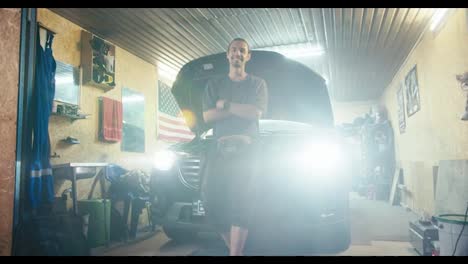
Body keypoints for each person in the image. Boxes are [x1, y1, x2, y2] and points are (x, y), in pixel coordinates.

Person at [201, 38, 268, 256]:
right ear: (227, 55)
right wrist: (238, 109)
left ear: (248, 56)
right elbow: (207, 116)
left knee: (242, 202)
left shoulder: (257, 84)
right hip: (219, 150)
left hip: (248, 152)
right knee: (210, 201)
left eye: (242, 50)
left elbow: (255, 113)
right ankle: (236, 251)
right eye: (233, 50)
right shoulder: (214, 84)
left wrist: (226, 105)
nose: (237, 53)